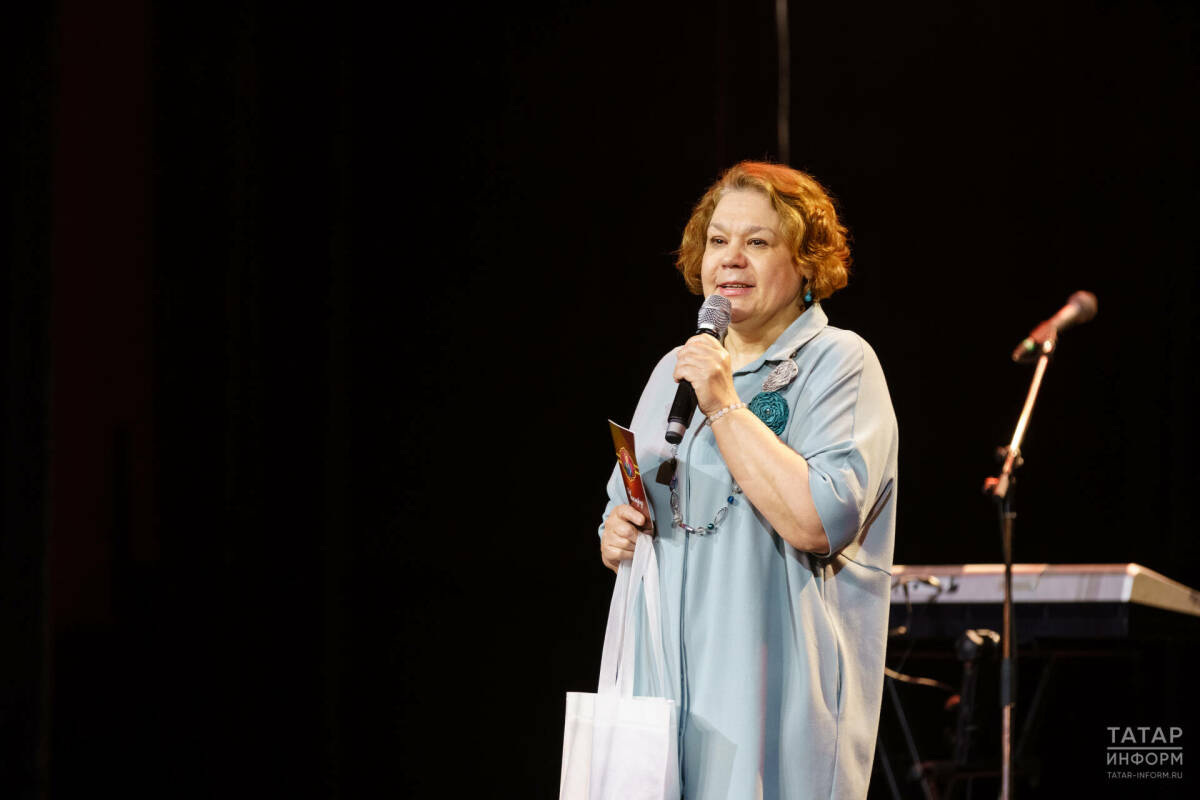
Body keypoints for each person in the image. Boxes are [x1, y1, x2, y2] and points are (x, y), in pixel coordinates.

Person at [599, 161, 898, 799]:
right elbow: (628, 501)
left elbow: (818, 520)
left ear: (807, 264)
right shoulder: (676, 369)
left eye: (757, 242)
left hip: (770, 703)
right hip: (664, 699)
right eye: (718, 240)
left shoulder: (840, 363)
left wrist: (724, 402)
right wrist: (616, 533)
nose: (730, 259)